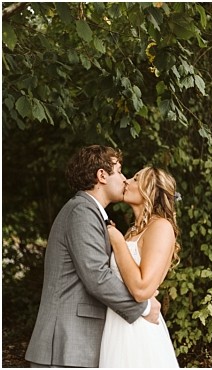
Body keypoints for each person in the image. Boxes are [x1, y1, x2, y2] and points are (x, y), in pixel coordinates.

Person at [25, 145, 161, 368]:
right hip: (65, 344)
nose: (125, 179)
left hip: (75, 344)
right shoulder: (82, 211)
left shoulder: (90, 212)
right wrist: (144, 308)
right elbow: (97, 276)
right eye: (119, 171)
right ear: (102, 175)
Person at [100, 166, 181, 367]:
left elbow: (142, 289)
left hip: (137, 331)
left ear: (150, 190)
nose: (126, 180)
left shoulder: (161, 227)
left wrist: (117, 242)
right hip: (117, 324)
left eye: (136, 179)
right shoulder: (132, 231)